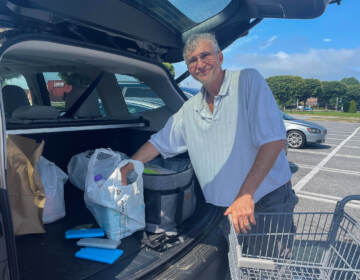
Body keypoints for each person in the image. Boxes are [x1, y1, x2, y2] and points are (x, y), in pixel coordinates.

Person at [121, 33, 297, 276]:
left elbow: (273, 140)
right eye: (192, 60)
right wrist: (128, 167)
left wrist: (246, 194)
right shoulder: (190, 109)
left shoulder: (247, 81)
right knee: (238, 270)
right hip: (224, 209)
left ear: (220, 56)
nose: (199, 64)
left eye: (205, 55)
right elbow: (159, 143)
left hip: (264, 203)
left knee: (268, 271)